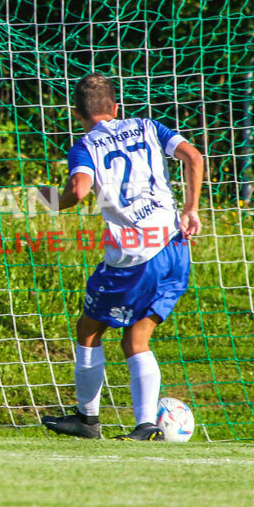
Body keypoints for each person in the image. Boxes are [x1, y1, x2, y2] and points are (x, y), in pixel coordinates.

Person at [40, 73, 203, 441]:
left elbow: (79, 190)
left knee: (89, 329)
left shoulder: (85, 145)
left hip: (135, 257)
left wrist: (49, 199)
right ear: (116, 108)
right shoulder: (148, 126)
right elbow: (193, 156)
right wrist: (191, 208)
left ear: (76, 113)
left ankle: (87, 419)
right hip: (175, 248)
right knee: (136, 338)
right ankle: (146, 426)